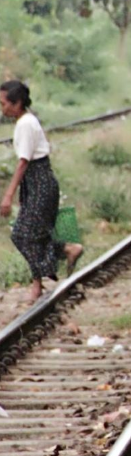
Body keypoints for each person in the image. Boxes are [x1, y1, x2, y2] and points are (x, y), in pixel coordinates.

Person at [0, 81, 83, 303]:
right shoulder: (25, 121)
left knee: (22, 234)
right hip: (36, 182)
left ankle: (65, 251)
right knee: (32, 235)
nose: (2, 109)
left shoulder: (26, 124)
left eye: (4, 103)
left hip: (40, 182)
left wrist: (8, 195)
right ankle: (39, 282)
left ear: (17, 103)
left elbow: (23, 162)